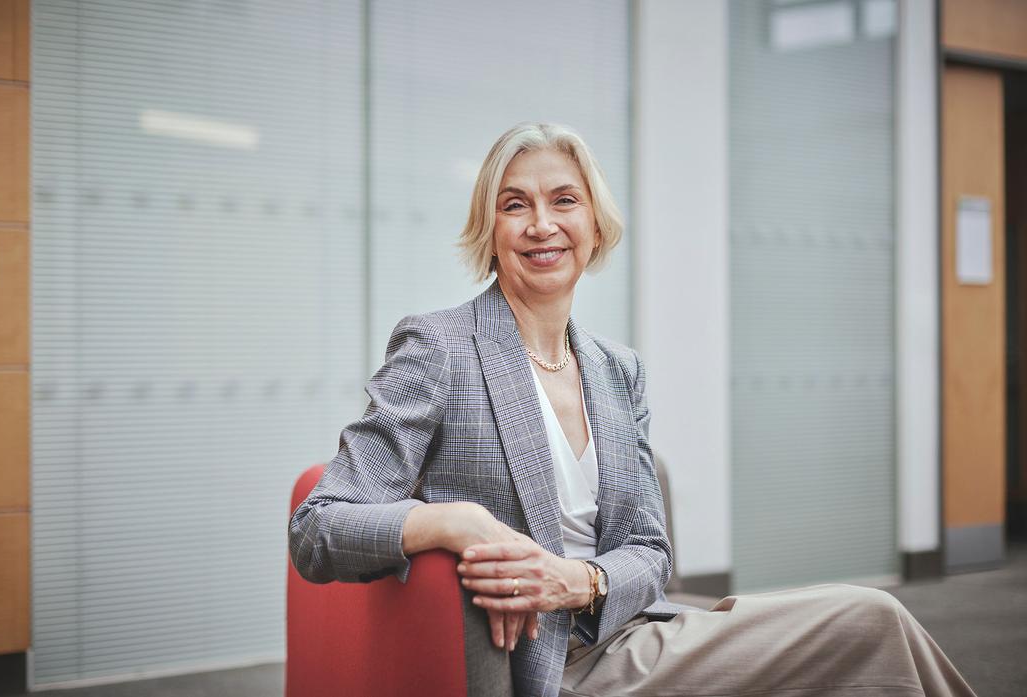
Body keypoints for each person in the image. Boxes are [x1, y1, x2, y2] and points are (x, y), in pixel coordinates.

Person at [288, 122, 977, 697]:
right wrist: (455, 521)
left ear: (594, 222)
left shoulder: (619, 370)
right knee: (872, 624)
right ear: (490, 228)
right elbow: (318, 528)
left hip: (636, 630)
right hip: (556, 670)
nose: (542, 225)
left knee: (874, 622)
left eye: (564, 200)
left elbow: (650, 551)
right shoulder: (440, 347)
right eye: (515, 204)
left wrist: (580, 580)